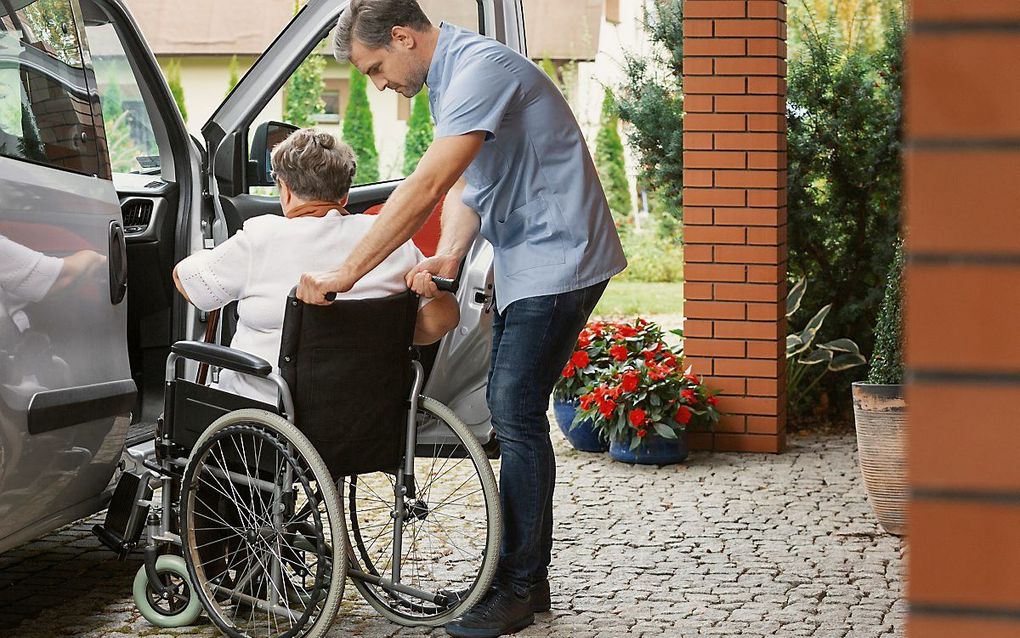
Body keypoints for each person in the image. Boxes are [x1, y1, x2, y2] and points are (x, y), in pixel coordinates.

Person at [295, 2, 626, 636]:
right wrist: (449, 252)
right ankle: (522, 577)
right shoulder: (449, 82)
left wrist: (346, 274)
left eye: (375, 67)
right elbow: (470, 188)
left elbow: (425, 184)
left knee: (514, 413)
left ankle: (520, 587)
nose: (379, 83)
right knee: (514, 411)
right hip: (528, 260)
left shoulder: (480, 68)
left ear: (401, 36)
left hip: (561, 258)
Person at [173, 128, 459, 404]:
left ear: (284, 190)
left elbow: (187, 282)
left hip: (265, 419)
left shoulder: (260, 239)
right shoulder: (392, 242)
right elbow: (438, 322)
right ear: (344, 195)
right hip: (367, 419)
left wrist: (201, 256)